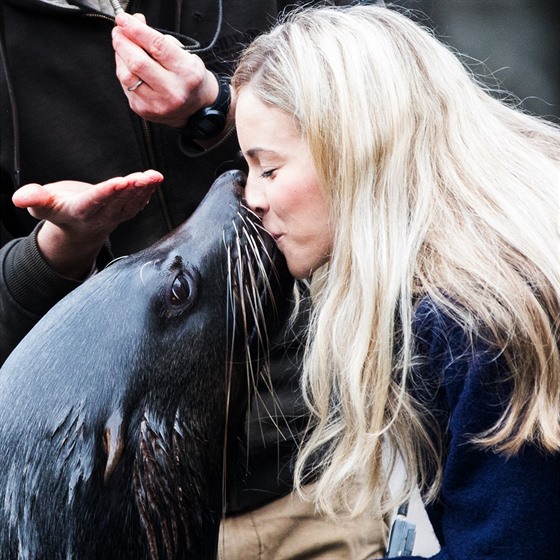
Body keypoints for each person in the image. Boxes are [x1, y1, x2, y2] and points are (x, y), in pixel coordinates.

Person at [0, 1, 386, 558]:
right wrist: (59, 247)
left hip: (323, 469)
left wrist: (221, 108)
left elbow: (393, 119)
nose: (239, 187)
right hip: (116, 518)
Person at [232, 4, 560, 559]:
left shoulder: (472, 321)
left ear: (354, 147)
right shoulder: (503, 245)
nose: (252, 197)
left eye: (268, 168)